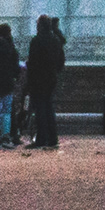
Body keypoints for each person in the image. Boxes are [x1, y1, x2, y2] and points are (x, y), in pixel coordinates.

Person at [26, 16, 66, 148]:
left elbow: (32, 62)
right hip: (51, 77)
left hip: (38, 78)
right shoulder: (55, 40)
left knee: (40, 109)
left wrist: (29, 79)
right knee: (49, 108)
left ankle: (41, 138)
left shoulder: (37, 40)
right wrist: (55, 71)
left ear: (41, 26)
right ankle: (52, 138)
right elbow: (61, 60)